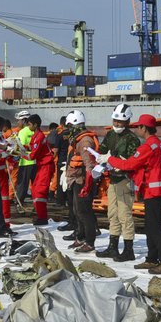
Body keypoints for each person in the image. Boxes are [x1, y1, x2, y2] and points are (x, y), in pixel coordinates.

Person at [100, 114, 161, 273]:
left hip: (153, 190)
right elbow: (145, 167)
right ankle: (152, 258)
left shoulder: (148, 146)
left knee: (155, 227)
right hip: (158, 190)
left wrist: (110, 159)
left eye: (138, 126)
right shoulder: (159, 145)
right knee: (151, 225)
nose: (136, 129)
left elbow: (130, 163)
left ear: (144, 128)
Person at [96, 103, 141, 261]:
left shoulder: (132, 139)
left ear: (128, 122)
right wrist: (100, 157)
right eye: (115, 121)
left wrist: (114, 160)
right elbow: (102, 149)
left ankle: (129, 250)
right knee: (112, 214)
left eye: (120, 122)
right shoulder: (110, 135)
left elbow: (132, 162)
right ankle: (112, 247)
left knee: (124, 214)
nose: (117, 124)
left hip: (125, 179)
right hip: (113, 180)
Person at [63, 110, 98, 253]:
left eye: (69, 126)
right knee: (77, 211)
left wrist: (87, 184)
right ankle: (81, 236)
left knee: (84, 211)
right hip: (76, 179)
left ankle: (89, 242)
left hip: (83, 180)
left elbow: (89, 165)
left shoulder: (84, 141)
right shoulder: (77, 139)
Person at [22, 114, 54, 225]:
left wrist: (20, 154)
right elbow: (32, 147)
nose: (28, 126)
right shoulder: (36, 136)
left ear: (35, 125)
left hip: (46, 165)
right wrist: (23, 147)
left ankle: (42, 217)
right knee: (35, 189)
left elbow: (32, 156)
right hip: (42, 166)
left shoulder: (39, 137)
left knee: (40, 190)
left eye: (29, 124)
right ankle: (40, 214)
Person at [15, 110, 35, 204]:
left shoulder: (22, 132)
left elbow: (20, 147)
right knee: (35, 185)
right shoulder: (35, 131)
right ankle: (37, 204)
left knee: (22, 185)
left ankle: (19, 203)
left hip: (25, 162)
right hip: (35, 162)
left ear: (24, 120)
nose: (17, 122)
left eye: (19, 120)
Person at [52, 115, 70, 208]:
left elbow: (55, 150)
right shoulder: (72, 135)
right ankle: (68, 200)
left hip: (61, 161)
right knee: (69, 181)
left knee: (60, 182)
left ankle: (60, 201)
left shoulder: (59, 136)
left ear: (61, 124)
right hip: (70, 161)